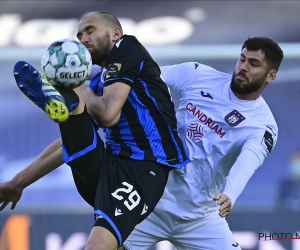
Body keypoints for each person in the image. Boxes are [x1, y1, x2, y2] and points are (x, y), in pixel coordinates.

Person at [0, 11, 189, 250]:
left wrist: (79, 85)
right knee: (76, 132)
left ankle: (69, 98)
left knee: (99, 246)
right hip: (107, 167)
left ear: (115, 34)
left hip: (143, 169)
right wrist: (17, 183)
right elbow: (65, 146)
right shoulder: (99, 82)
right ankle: (69, 106)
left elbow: (109, 115)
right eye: (80, 35)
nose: (83, 39)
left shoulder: (127, 48)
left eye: (90, 31)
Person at [121, 37, 283, 250]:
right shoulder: (198, 75)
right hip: (149, 202)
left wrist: (230, 194)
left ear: (271, 75)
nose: (243, 67)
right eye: (242, 59)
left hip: (199, 218)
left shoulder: (263, 126)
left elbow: (248, 162)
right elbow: (147, 76)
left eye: (253, 64)